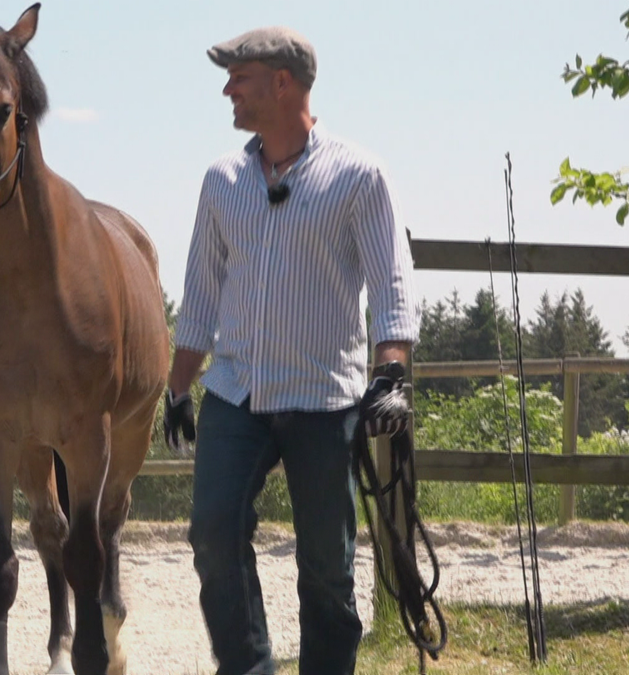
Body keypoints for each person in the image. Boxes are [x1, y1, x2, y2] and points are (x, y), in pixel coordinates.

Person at [161, 27, 421, 675]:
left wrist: (390, 372)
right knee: (214, 533)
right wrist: (177, 389)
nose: (228, 88)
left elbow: (391, 281)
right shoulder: (221, 179)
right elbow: (199, 295)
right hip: (235, 394)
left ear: (282, 83)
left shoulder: (359, 175)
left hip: (323, 399)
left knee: (328, 569)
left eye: (238, 76)